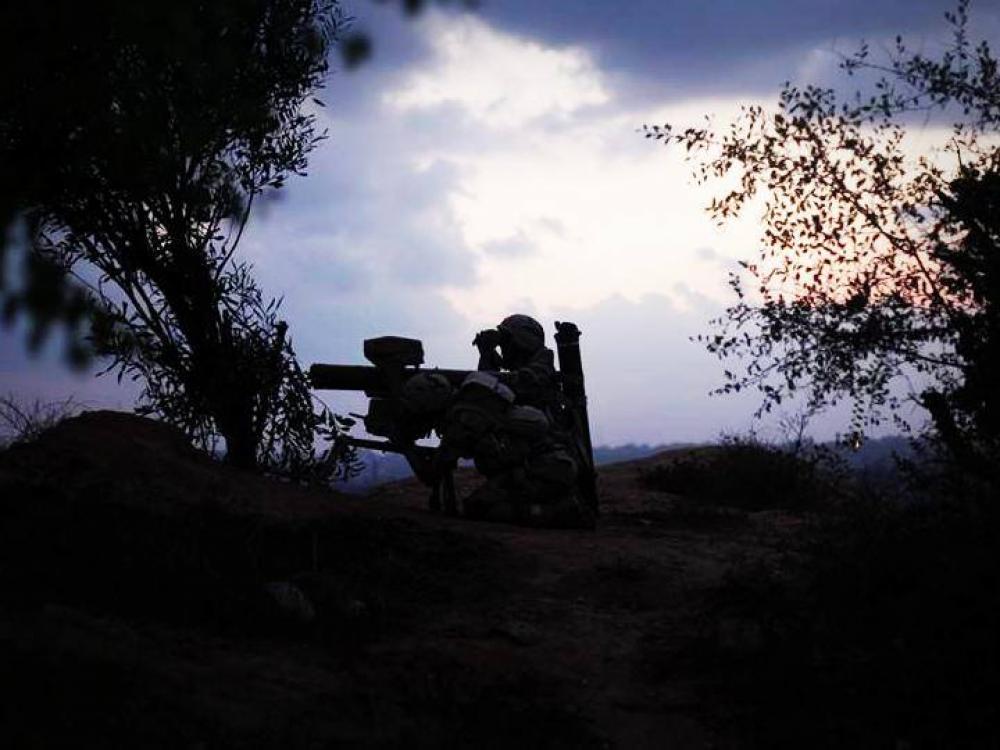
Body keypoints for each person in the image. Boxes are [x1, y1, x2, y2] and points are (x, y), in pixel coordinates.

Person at [441, 314, 592, 528]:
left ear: (522, 342)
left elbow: (502, 389)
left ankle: (561, 512)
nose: (504, 349)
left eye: (507, 342)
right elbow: (491, 392)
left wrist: (488, 357)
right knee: (479, 505)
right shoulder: (530, 368)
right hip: (528, 463)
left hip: (547, 465)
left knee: (482, 508)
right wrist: (487, 355)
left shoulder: (540, 367)